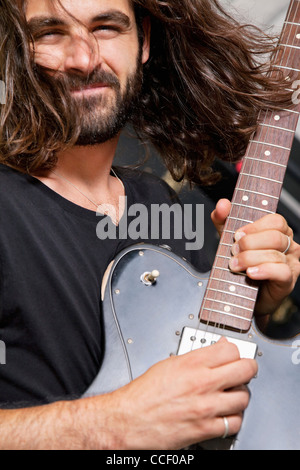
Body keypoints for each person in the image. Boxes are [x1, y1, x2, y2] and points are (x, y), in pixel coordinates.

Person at [0, 0, 299, 450]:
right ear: (18, 50)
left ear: (143, 42)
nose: (84, 59)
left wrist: (251, 302)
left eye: (105, 28)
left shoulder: (161, 204)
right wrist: (110, 424)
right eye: (51, 33)